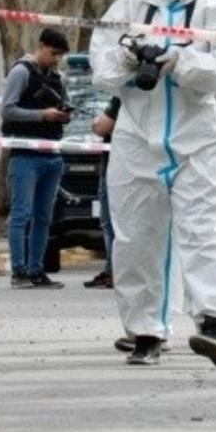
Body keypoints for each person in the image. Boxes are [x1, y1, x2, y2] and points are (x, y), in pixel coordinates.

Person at [90, 0, 216, 367]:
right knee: (137, 237)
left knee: (205, 232)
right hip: (137, 137)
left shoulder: (215, 11)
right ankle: (145, 330)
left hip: (198, 137)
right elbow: (102, 70)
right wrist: (126, 56)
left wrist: (180, 60)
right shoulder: (126, 8)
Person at [0, 27, 72, 289]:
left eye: (59, 56)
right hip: (25, 156)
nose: (55, 60)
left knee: (44, 217)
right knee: (21, 214)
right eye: (53, 54)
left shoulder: (58, 78)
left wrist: (64, 114)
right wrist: (41, 115)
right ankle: (19, 271)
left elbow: (65, 104)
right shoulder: (21, 72)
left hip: (52, 154)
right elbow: (7, 110)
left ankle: (36, 270)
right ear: (40, 47)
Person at [85, 96, 119, 290]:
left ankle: (115, 271)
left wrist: (97, 121)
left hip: (115, 169)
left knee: (110, 223)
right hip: (127, 167)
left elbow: (102, 126)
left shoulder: (124, 95)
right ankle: (112, 269)